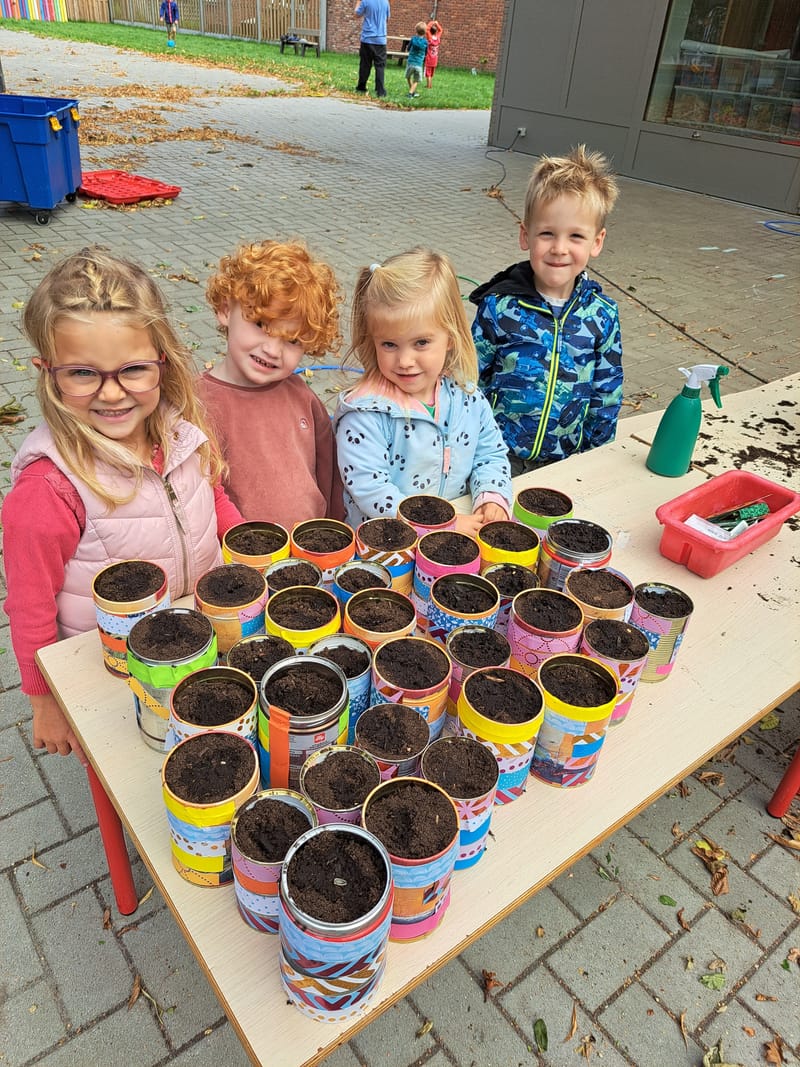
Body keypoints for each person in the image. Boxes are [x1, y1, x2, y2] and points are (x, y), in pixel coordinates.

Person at [1, 247, 242, 763]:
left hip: (198, 636)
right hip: (116, 673)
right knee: (138, 767)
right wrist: (45, 699)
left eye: (132, 369)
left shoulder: (180, 432)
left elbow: (212, 495)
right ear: (47, 372)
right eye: (83, 374)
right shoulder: (49, 488)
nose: (112, 394)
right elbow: (29, 604)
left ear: (162, 360)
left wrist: (249, 558)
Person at [334, 248, 512, 537]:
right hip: (387, 548)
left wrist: (493, 497)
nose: (404, 361)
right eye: (389, 345)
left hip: (454, 538)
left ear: (451, 337)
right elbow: (371, 491)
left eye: (421, 343)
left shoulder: (467, 397)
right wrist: (444, 524)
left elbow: (490, 453)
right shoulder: (365, 413)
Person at [470, 144, 622, 475]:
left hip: (567, 462)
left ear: (596, 242)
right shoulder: (499, 306)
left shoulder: (602, 316)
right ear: (526, 235)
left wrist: (596, 458)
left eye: (576, 236)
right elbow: (470, 380)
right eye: (547, 233)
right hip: (496, 458)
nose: (559, 248)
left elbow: (606, 394)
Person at [199, 240, 346, 528]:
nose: (272, 350)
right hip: (239, 562)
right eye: (262, 326)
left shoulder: (301, 396)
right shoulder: (197, 402)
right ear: (226, 309)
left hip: (309, 553)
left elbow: (329, 472)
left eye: (292, 341)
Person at [354, 0, 390, 98]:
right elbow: (387, 19)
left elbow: (357, 14)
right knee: (380, 66)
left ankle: (361, 87)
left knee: (365, 64)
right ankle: (380, 90)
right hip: (381, 39)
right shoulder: (385, 2)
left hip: (367, 38)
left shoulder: (365, 1)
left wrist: (358, 2)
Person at [405, 21, 428, 98]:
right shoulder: (425, 42)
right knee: (416, 80)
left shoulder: (413, 39)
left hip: (410, 62)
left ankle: (411, 92)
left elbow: (408, 48)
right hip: (418, 64)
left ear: (416, 30)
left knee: (408, 77)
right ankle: (411, 93)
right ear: (425, 32)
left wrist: (408, 49)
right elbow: (426, 52)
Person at [424, 19, 443, 89]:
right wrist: (437, 23)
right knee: (431, 73)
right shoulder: (438, 38)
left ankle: (428, 85)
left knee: (428, 73)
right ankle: (429, 84)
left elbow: (427, 29)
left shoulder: (430, 38)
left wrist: (432, 22)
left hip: (429, 58)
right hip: (435, 59)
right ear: (436, 32)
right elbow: (441, 30)